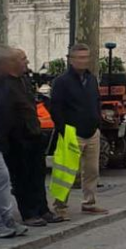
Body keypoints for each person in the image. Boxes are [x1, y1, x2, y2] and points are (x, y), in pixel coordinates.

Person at [5, 49, 62, 227]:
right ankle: (28, 213)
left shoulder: (24, 79)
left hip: (33, 134)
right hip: (17, 138)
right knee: (22, 178)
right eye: (23, 59)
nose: (27, 62)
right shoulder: (4, 84)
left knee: (38, 176)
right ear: (11, 62)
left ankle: (42, 209)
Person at [50, 43, 107, 217]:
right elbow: (55, 108)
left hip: (92, 133)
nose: (83, 61)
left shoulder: (91, 79)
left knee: (92, 171)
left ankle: (89, 203)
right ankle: (60, 206)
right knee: (66, 171)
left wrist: (98, 122)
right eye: (79, 58)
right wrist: (63, 129)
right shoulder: (61, 82)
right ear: (71, 60)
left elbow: (96, 101)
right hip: (71, 133)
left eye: (86, 57)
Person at [0, 45, 28, 240]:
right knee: (1, 180)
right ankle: (1, 220)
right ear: (2, 64)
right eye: (12, 61)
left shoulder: (0, 80)